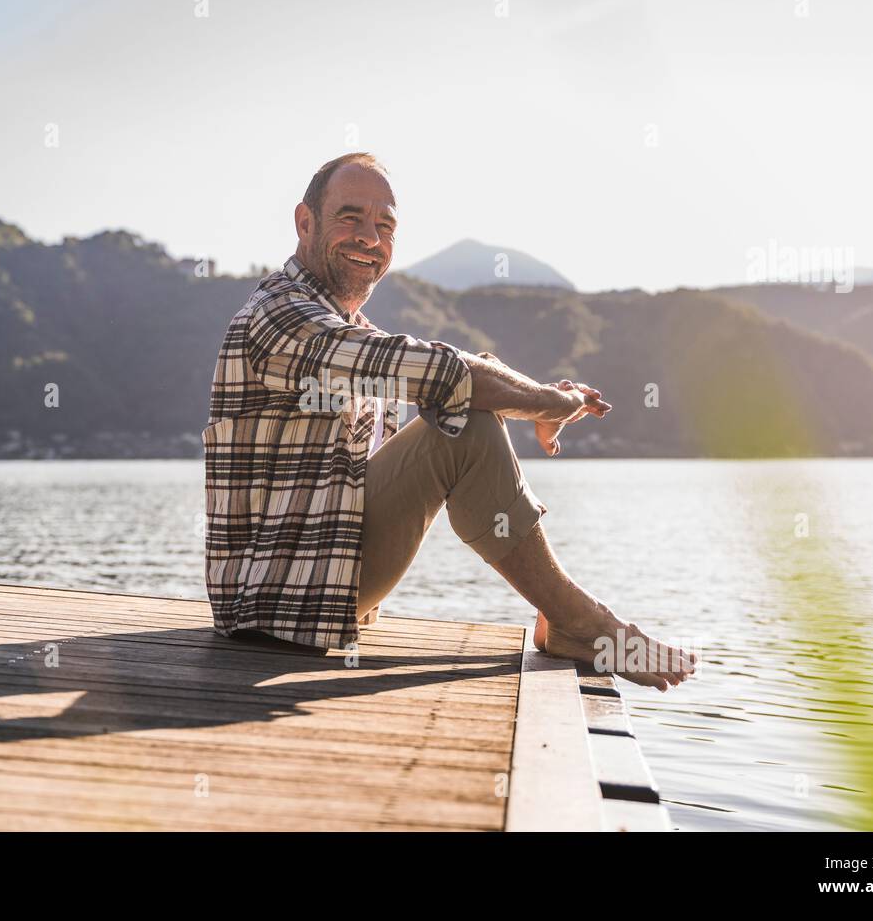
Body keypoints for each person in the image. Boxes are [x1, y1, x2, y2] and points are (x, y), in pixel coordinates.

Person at [203, 152, 696, 690]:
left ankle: (570, 619)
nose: (369, 237)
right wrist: (552, 405)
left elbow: (453, 377)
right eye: (350, 216)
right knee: (470, 427)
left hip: (321, 587)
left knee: (465, 414)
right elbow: (452, 373)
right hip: (272, 604)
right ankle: (583, 623)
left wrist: (540, 396)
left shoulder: (353, 328)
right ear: (305, 222)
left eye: (384, 225)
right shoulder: (280, 315)